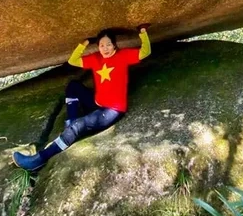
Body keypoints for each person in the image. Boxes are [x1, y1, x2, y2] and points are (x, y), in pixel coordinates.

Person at [12, 25, 151, 171]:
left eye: (109, 44)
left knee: (79, 126)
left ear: (114, 45)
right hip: (97, 103)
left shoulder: (122, 56)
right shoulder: (96, 59)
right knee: (73, 86)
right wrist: (84, 43)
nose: (105, 48)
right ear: (98, 47)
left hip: (112, 110)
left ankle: (38, 160)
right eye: (102, 45)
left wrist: (142, 33)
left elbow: (145, 51)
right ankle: (70, 124)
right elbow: (73, 60)